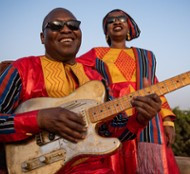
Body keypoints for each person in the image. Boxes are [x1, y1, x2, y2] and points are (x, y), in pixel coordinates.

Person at [0, 8, 162, 174]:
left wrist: (139, 120)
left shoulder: (97, 79)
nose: (65, 29)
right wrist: (39, 119)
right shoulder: (23, 68)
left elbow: (113, 131)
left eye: (73, 25)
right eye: (55, 25)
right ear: (42, 37)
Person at [77, 9, 180, 174]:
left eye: (121, 19)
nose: (117, 22)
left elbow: (156, 88)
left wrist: (167, 121)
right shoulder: (96, 53)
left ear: (129, 26)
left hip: (147, 115)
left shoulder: (144, 56)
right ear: (106, 31)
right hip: (114, 117)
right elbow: (73, 67)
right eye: (111, 21)